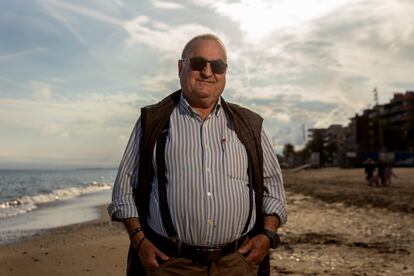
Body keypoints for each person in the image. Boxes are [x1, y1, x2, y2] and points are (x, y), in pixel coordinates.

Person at [108, 33, 287, 276]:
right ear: (181, 67)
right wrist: (139, 241)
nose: (207, 72)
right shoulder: (153, 122)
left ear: (225, 72)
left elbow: (272, 187)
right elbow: (123, 191)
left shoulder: (249, 125)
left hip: (237, 264)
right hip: (171, 265)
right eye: (198, 63)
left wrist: (267, 235)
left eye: (218, 66)